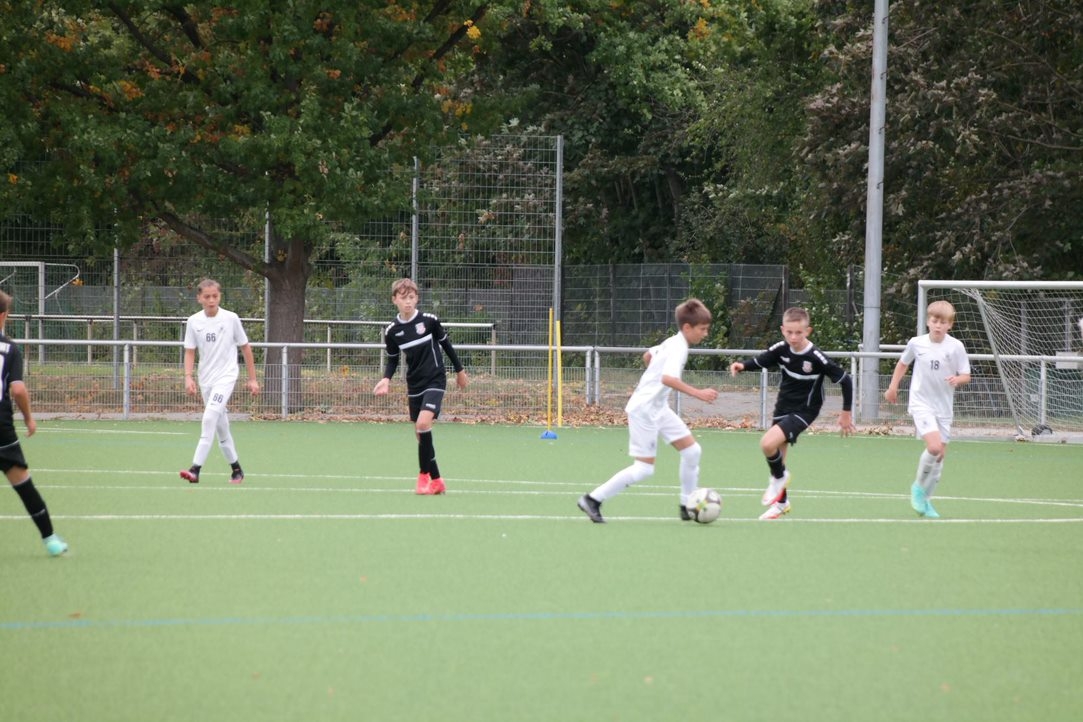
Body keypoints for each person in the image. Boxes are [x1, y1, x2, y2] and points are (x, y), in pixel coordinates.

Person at [577, 298, 719, 523]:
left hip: (658, 408)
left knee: (692, 451)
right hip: (644, 410)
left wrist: (652, 380)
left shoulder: (673, 341)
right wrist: (698, 393)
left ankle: (686, 505)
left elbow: (648, 356)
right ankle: (592, 499)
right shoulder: (678, 347)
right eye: (702, 329)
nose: (705, 333)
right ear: (687, 327)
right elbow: (668, 378)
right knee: (644, 469)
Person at [729, 306, 855, 520]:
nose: (794, 337)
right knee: (778, 458)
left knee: (767, 445)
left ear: (808, 331)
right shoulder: (781, 349)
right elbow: (762, 360)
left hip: (805, 410)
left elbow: (845, 380)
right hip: (783, 406)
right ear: (782, 330)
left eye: (798, 332)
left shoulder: (816, 357)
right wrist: (742, 366)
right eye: (789, 332)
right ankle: (781, 503)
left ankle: (779, 479)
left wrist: (846, 412)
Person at [374, 278, 468, 495]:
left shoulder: (429, 321)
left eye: (411, 297)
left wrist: (460, 371)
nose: (408, 302)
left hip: (435, 379)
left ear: (416, 298)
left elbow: (446, 345)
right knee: (420, 434)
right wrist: (386, 379)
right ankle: (437, 480)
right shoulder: (392, 331)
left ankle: (423, 477)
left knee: (423, 424)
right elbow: (392, 360)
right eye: (403, 298)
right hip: (414, 384)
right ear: (394, 300)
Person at [884, 300, 971, 519]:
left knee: (940, 456)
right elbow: (903, 363)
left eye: (943, 322)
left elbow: (966, 375)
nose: (938, 325)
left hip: (944, 407)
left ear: (950, 325)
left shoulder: (956, 347)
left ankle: (927, 500)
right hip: (921, 403)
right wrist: (893, 387)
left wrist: (957, 379)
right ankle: (917, 488)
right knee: (933, 447)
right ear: (928, 321)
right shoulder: (917, 343)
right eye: (935, 320)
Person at [0, 290, 68, 556]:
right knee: (23, 483)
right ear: (3, 316)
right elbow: (17, 389)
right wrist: (28, 418)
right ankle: (50, 540)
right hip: (1, 427)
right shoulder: (10, 349)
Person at [178, 279, 260, 484]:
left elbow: (245, 347)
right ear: (199, 298)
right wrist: (188, 377)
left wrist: (252, 379)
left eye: (215, 296)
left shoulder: (231, 318)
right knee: (221, 427)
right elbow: (190, 351)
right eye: (207, 296)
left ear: (220, 296)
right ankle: (236, 470)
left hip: (226, 376)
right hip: (206, 379)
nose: (211, 300)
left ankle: (195, 469)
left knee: (208, 419)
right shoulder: (193, 321)